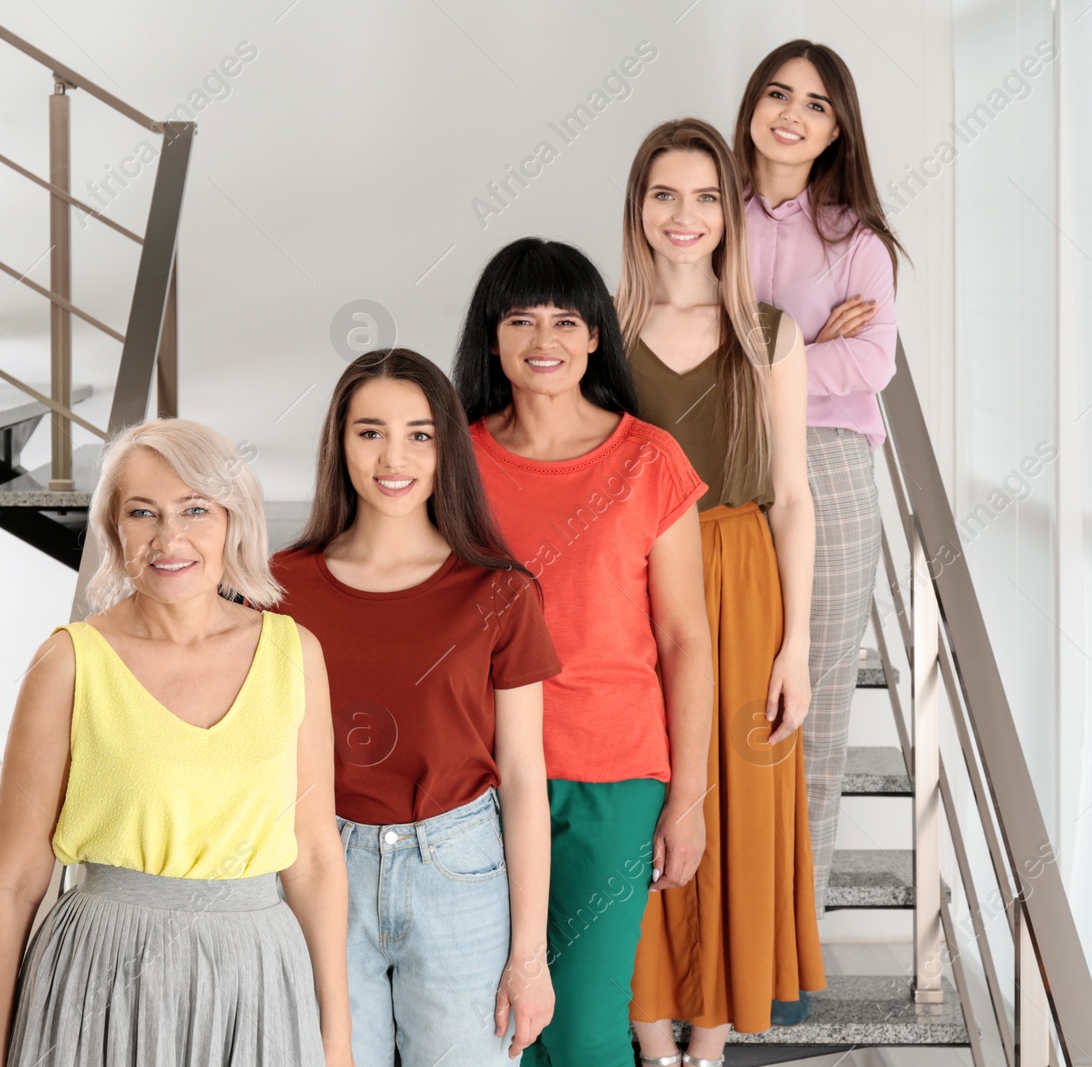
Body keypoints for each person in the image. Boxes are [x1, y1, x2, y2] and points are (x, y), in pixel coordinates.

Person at [0, 418, 350, 1067]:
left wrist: (336, 1040)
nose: (170, 537)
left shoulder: (294, 654)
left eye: (195, 508)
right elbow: (13, 878)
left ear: (234, 518)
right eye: (143, 511)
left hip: (256, 977)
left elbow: (313, 857)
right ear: (115, 526)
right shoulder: (67, 663)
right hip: (99, 977)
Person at [257, 349, 560, 1066]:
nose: (394, 456)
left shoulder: (501, 592)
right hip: (316, 866)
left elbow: (522, 778)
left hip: (461, 873)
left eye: (419, 434)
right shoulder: (276, 590)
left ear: (445, 447)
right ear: (340, 442)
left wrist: (529, 954)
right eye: (370, 432)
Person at [453, 237, 714, 1067]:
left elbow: (685, 638)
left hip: (614, 774)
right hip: (479, 774)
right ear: (491, 336)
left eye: (567, 320)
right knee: (489, 1020)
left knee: (588, 1024)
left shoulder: (649, 460)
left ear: (596, 334)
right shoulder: (451, 460)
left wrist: (689, 796)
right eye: (522, 319)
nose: (545, 339)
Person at [618, 118, 824, 1065]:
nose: (686, 215)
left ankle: (708, 1043)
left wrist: (798, 649)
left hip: (744, 588)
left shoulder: (767, 332)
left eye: (706, 196)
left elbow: (791, 497)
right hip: (637, 584)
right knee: (648, 790)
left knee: (734, 799)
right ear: (639, 208)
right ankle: (651, 1036)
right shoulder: (604, 330)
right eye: (665, 195)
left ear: (727, 213)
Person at [735, 40, 907, 925]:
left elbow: (871, 360)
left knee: (818, 700)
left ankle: (791, 932)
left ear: (837, 128)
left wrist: (765, 358)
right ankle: (715, 928)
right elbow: (674, 355)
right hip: (718, 466)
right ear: (754, 105)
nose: (791, 114)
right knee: (721, 689)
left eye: (815, 103)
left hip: (831, 470)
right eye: (777, 93)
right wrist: (807, 343)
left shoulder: (857, 240)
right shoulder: (703, 215)